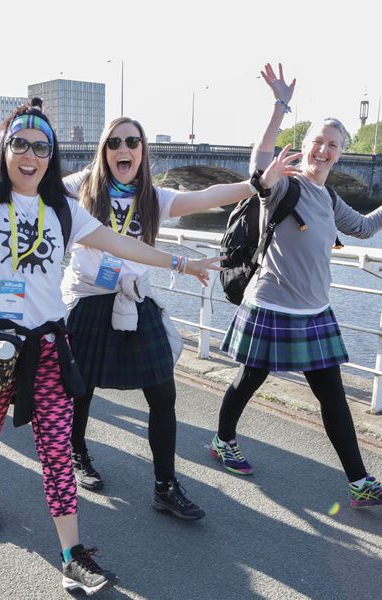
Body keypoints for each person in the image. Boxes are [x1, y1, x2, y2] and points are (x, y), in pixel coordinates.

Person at [0, 15, 219, 594]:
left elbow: (125, 244)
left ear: (52, 154)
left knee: (57, 449)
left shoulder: (65, 209)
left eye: (41, 146)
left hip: (47, 348)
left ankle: (72, 553)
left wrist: (182, 263)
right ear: (6, 150)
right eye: (20, 144)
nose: (30, 154)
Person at [59, 111, 291, 519]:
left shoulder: (153, 197)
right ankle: (77, 452)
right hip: (90, 300)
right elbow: (34, 190)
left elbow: (208, 196)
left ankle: (165, 485)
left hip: (135, 297)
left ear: (143, 150)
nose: (123, 149)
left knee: (163, 393)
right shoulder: (81, 187)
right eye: (114, 143)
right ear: (103, 151)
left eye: (132, 142)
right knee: (82, 387)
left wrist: (255, 184)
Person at [211, 64, 382, 508]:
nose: (324, 150)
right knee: (247, 381)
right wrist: (279, 107)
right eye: (318, 142)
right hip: (272, 306)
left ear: (339, 154)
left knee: (333, 399)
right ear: (305, 147)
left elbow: (362, 227)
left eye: (333, 146)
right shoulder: (287, 187)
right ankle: (224, 440)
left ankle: (360, 484)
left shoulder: (329, 197)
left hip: (315, 311)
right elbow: (259, 168)